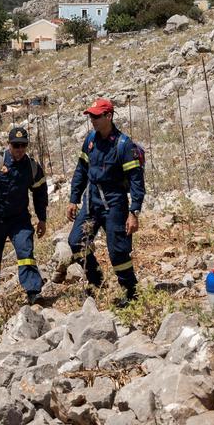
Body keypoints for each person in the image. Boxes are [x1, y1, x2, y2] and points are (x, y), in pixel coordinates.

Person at [65, 98, 144, 306]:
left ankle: (131, 293)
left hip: (114, 203)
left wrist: (134, 212)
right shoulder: (90, 139)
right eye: (90, 116)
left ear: (108, 116)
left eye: (96, 116)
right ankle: (96, 280)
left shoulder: (123, 145)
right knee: (76, 242)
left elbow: (136, 180)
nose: (92, 120)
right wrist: (74, 199)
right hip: (91, 201)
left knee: (118, 252)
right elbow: (81, 170)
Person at [0, 126, 49, 305]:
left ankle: (33, 292)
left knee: (25, 252)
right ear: (9, 144)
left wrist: (42, 218)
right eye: (16, 145)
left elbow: (40, 194)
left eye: (23, 145)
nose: (19, 149)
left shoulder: (32, 167)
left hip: (19, 220)